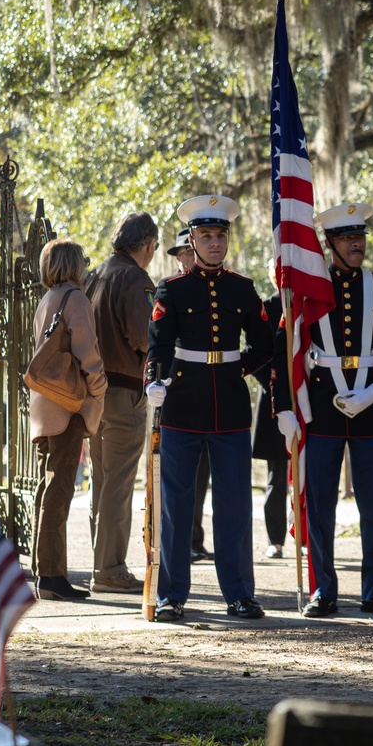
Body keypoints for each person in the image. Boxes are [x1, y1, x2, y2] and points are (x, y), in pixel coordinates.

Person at [274, 202, 373, 618]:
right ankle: (324, 589)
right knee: (319, 504)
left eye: (360, 237)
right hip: (322, 406)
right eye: (348, 238)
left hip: (370, 408)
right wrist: (284, 408)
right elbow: (285, 351)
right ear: (329, 243)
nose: (357, 244)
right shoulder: (308, 289)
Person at [145, 195, 274, 623]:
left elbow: (265, 345)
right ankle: (171, 595)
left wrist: (239, 370)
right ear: (192, 240)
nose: (215, 242)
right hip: (182, 403)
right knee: (177, 507)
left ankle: (239, 594)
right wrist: (154, 382)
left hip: (230, 407)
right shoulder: (172, 288)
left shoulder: (242, 287)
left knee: (234, 505)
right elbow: (159, 345)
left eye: (220, 235)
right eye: (206, 236)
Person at [85, 211, 159, 594]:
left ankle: (103, 564)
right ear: (147, 245)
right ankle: (110, 569)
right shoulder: (134, 278)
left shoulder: (94, 275)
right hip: (124, 392)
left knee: (101, 482)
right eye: (154, 247)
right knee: (118, 485)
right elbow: (145, 337)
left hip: (94, 393)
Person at [29, 239, 107, 600]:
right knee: (59, 490)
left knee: (47, 488)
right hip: (68, 406)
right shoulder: (75, 299)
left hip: (45, 405)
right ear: (75, 264)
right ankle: (52, 576)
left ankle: (44, 571)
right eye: (84, 261)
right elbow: (86, 352)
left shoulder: (46, 299)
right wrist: (100, 386)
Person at [166, 227, 213, 562]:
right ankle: (178, 542)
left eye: (188, 251)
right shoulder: (169, 291)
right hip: (176, 397)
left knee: (202, 477)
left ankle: (195, 539)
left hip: (212, 398)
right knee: (177, 479)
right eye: (182, 253)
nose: (186, 258)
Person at [252, 290, 288, 559]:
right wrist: (278, 389)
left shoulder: (313, 301)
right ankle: (276, 539)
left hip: (310, 396)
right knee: (277, 474)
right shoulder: (266, 307)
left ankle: (306, 535)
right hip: (275, 399)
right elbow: (255, 355)